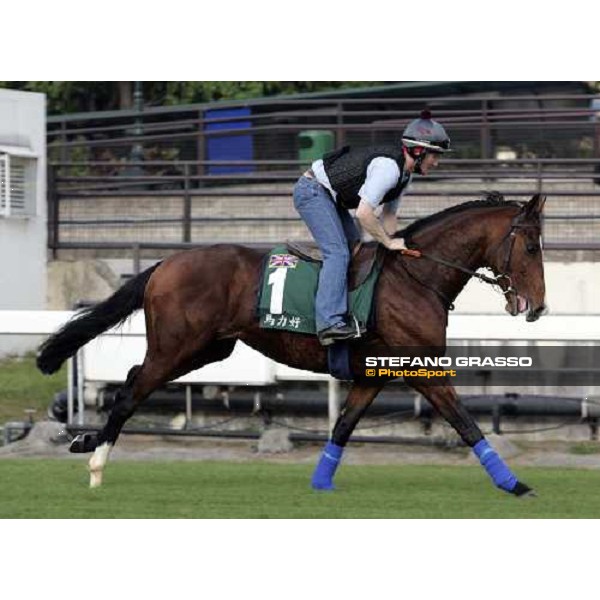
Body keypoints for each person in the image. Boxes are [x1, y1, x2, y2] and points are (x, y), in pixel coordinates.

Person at [293, 110, 451, 346]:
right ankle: (328, 324)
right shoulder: (389, 169)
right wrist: (386, 242)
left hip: (331, 196)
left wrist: (396, 244)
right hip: (313, 191)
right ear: (418, 151)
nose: (436, 162)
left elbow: (388, 215)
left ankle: (346, 309)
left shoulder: (405, 176)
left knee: (356, 248)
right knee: (338, 253)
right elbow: (364, 213)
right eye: (434, 155)